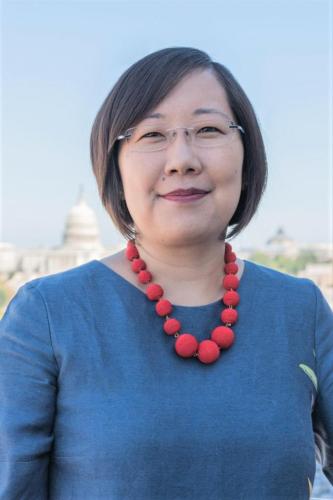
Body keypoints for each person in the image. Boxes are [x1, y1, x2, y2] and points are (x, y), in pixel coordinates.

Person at [0, 46, 332, 500]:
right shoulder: (46, 315)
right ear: (114, 164)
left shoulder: (301, 309)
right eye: (152, 134)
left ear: (247, 152)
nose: (182, 159)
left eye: (209, 129)